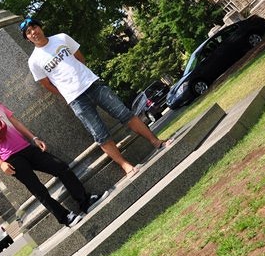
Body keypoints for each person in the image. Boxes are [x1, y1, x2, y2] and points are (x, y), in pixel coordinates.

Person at [21, 17, 170, 177]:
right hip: (76, 100)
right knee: (100, 134)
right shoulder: (34, 61)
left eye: (34, 27)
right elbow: (47, 84)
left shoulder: (61, 38)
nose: (33, 32)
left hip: (93, 85)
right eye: (28, 32)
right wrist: (67, 91)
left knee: (126, 114)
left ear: (40, 27)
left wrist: (82, 77)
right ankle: (126, 166)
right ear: (27, 38)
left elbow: (80, 58)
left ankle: (156, 141)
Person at [0, 80, 106, 227]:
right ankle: (65, 217)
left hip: (26, 147)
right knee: (38, 189)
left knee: (61, 167)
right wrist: (0, 163)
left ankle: (85, 201)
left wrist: (34, 138)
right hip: (10, 158)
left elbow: (16, 123)